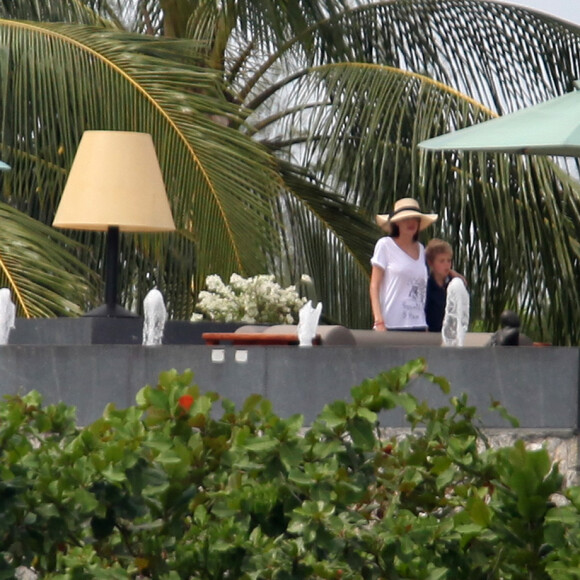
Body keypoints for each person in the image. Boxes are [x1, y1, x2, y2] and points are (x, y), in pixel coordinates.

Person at [369, 198, 437, 331]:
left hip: (418, 325)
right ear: (397, 223)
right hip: (391, 324)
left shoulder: (421, 249)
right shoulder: (385, 245)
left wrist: (454, 274)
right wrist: (378, 320)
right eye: (406, 219)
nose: (411, 222)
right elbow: (374, 285)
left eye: (415, 219)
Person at [425, 238, 454, 333]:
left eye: (449, 261)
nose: (446, 265)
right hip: (431, 336)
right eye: (441, 261)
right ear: (431, 263)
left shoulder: (452, 284)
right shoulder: (427, 286)